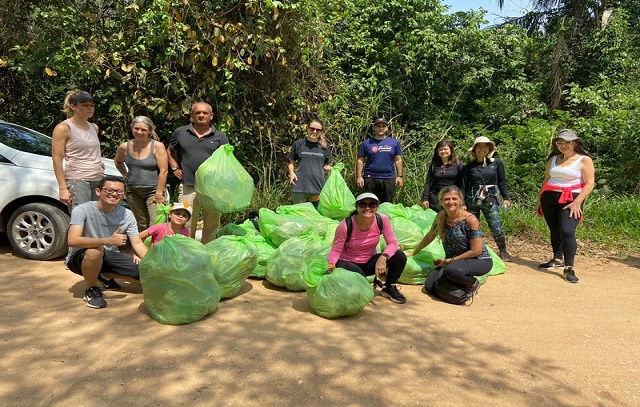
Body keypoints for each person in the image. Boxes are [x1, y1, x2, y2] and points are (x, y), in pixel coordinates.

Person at [66, 176, 148, 309]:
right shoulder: (82, 210)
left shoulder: (127, 214)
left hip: (109, 256)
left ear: (124, 194)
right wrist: (107, 241)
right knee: (95, 250)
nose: (114, 194)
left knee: (145, 273)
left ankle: (103, 275)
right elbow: (72, 240)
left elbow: (137, 243)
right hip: (80, 258)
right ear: (98, 191)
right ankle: (91, 289)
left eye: (119, 191)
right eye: (109, 190)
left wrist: (154, 262)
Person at [411, 186, 493, 304]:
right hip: (454, 262)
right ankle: (458, 288)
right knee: (430, 285)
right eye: (446, 199)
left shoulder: (470, 220)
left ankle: (472, 283)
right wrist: (414, 252)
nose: (451, 202)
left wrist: (448, 261)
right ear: (441, 201)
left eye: (454, 199)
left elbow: (476, 251)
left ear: (460, 200)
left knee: (452, 271)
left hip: (478, 260)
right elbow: (430, 235)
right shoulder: (440, 217)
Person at [537, 129, 595, 283]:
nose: (564, 145)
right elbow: (546, 179)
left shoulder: (584, 160)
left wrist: (577, 202)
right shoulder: (554, 159)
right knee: (554, 229)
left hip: (572, 198)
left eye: (567, 142)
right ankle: (557, 258)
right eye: (560, 142)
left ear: (575, 143)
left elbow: (589, 184)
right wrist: (539, 199)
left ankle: (569, 267)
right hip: (549, 197)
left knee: (567, 230)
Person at [327, 192, 407, 304]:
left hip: (369, 262)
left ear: (377, 207)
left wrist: (383, 257)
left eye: (372, 204)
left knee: (399, 256)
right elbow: (335, 250)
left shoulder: (382, 220)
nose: (367, 208)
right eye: (363, 204)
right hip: (348, 263)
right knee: (360, 280)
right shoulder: (346, 225)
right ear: (357, 207)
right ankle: (360, 283)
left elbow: (393, 243)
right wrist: (330, 266)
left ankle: (389, 287)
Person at [167, 102, 230, 244]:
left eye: (205, 113)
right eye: (198, 113)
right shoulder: (181, 132)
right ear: (192, 115)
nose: (201, 115)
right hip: (189, 185)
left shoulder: (220, 137)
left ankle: (206, 251)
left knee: (212, 222)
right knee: (185, 220)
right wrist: (175, 168)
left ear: (211, 116)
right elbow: (170, 151)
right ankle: (187, 250)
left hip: (213, 188)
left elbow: (227, 162)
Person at [459, 136, 513, 261]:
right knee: (472, 227)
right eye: (479, 146)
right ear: (474, 149)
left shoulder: (497, 163)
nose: (482, 149)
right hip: (471, 200)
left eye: (485, 146)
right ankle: (474, 250)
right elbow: (462, 187)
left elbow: (502, 182)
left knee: (495, 226)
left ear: (490, 149)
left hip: (490, 199)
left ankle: (503, 251)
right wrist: (462, 203)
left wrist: (506, 198)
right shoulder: (468, 168)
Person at [52, 90, 105, 212]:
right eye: (85, 105)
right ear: (73, 106)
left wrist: (98, 162)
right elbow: (57, 159)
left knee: (96, 218)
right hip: (78, 180)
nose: (90, 108)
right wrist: (63, 188)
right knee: (80, 219)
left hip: (97, 178)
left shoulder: (94, 127)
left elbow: (91, 152)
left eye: (92, 105)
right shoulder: (64, 128)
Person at [114, 116, 169, 231]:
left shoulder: (157, 146)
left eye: (143, 130)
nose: (139, 132)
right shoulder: (124, 146)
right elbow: (118, 161)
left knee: (156, 223)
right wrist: (125, 174)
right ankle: (143, 247)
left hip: (153, 190)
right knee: (141, 223)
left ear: (150, 131)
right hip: (132, 191)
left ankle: (156, 247)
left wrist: (159, 193)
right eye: (136, 128)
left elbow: (164, 170)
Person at [287, 119, 333, 207]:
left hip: (318, 184)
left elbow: (325, 166)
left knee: (317, 214)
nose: (314, 131)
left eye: (318, 130)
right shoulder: (298, 144)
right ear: (307, 129)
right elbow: (291, 162)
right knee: (300, 213)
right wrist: (291, 173)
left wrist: (335, 169)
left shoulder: (325, 147)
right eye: (312, 129)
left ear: (321, 132)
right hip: (300, 183)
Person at [356, 118, 403, 203]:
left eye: (383, 126)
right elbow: (360, 160)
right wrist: (359, 177)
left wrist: (400, 176)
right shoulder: (366, 143)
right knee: (370, 203)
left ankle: (384, 217)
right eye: (378, 126)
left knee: (387, 204)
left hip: (388, 178)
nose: (381, 128)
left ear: (387, 128)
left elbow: (398, 160)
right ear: (374, 128)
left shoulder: (394, 142)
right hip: (370, 178)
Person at [421, 140, 464, 212]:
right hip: (435, 198)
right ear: (437, 152)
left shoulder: (458, 164)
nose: (443, 151)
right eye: (441, 149)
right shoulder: (434, 165)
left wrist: (462, 201)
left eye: (445, 149)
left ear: (451, 150)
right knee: (437, 220)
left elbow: (463, 184)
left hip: (452, 198)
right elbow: (428, 182)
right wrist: (425, 199)